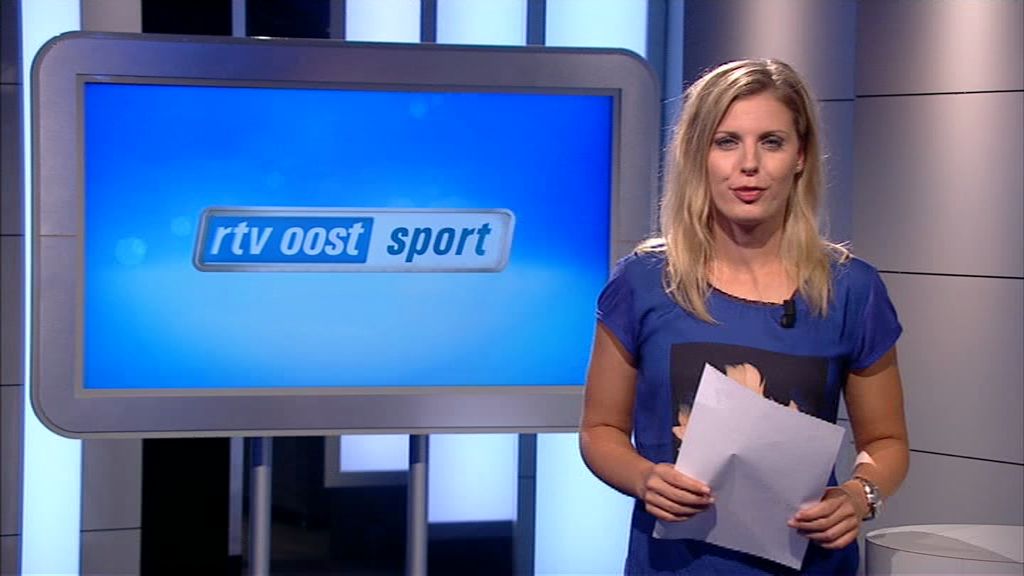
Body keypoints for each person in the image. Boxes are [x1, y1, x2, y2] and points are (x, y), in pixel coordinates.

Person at [579, 59, 909, 575]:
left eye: (771, 142)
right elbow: (600, 430)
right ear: (698, 154)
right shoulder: (643, 282)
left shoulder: (851, 289)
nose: (748, 164)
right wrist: (644, 478)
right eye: (727, 141)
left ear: (800, 156)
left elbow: (886, 443)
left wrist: (858, 494)